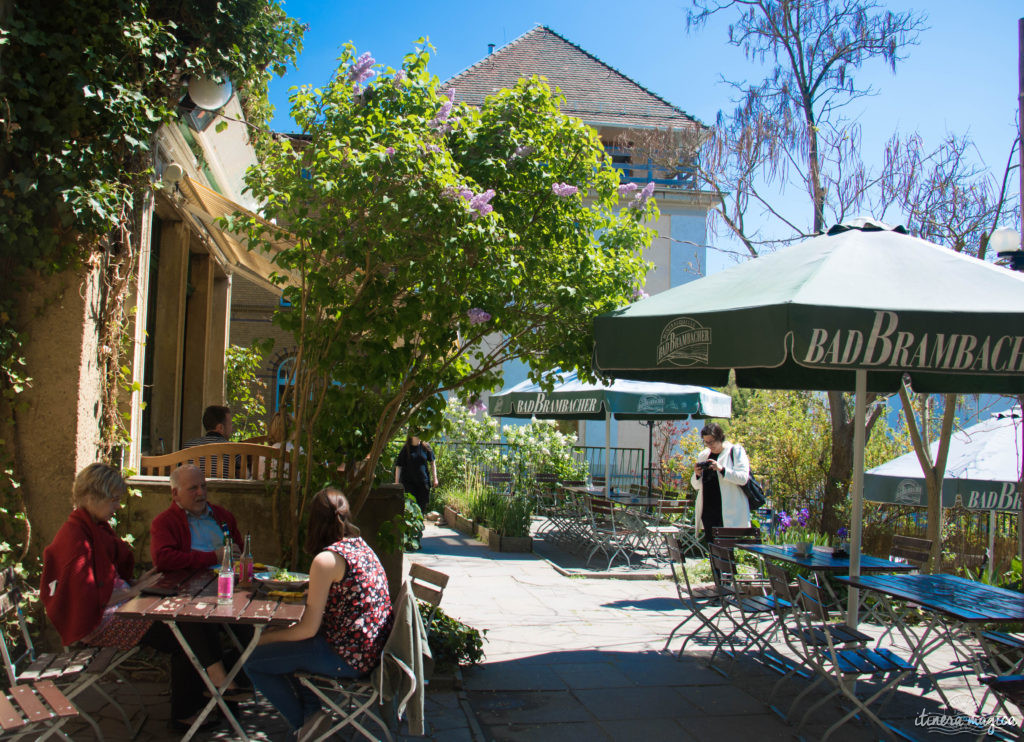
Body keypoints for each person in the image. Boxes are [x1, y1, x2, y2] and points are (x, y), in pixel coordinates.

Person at [41, 463, 243, 732]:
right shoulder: (75, 536)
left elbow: (104, 581)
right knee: (184, 627)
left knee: (191, 622)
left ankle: (210, 695)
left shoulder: (93, 526)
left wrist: (137, 584)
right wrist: (133, 591)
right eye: (113, 500)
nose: (117, 507)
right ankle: (209, 693)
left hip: (119, 607)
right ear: (92, 497)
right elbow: (87, 598)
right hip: (98, 623)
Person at [244, 487, 393, 739]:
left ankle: (303, 725)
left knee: (254, 661)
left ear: (313, 521)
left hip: (347, 657)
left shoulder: (326, 560)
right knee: (283, 653)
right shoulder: (362, 547)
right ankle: (314, 717)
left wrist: (264, 638)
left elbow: (308, 629)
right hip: (370, 651)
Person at [151, 464, 242, 571]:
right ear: (175, 493)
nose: (201, 492)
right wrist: (214, 557)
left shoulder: (223, 516)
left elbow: (241, 551)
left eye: (203, 486)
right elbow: (163, 560)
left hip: (227, 580)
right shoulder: (165, 522)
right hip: (188, 584)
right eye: (193, 488)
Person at [690, 423, 751, 538]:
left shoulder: (735, 451)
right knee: (713, 551)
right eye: (706, 442)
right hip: (708, 512)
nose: (709, 445)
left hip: (729, 512)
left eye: (711, 441)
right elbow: (696, 486)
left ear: (720, 437)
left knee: (727, 549)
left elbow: (743, 478)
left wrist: (722, 469)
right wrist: (697, 475)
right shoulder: (704, 455)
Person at [394, 432, 438, 513]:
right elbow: (398, 466)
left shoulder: (425, 447)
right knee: (410, 507)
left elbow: (432, 462)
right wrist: (397, 483)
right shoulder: (405, 449)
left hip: (423, 483)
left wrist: (435, 478)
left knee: (422, 507)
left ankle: (421, 524)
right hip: (409, 484)